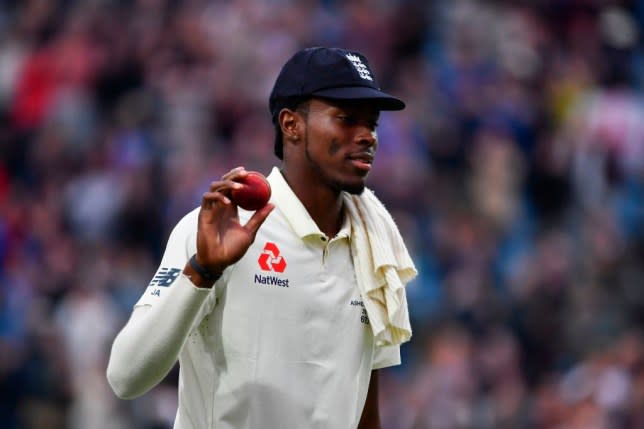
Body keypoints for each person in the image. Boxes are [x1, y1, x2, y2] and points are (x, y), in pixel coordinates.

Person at [107, 46, 417, 429]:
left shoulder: (377, 248)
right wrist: (203, 270)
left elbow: (364, 411)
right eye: (346, 119)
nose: (367, 136)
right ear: (291, 125)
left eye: (372, 124)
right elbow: (126, 377)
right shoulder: (218, 230)